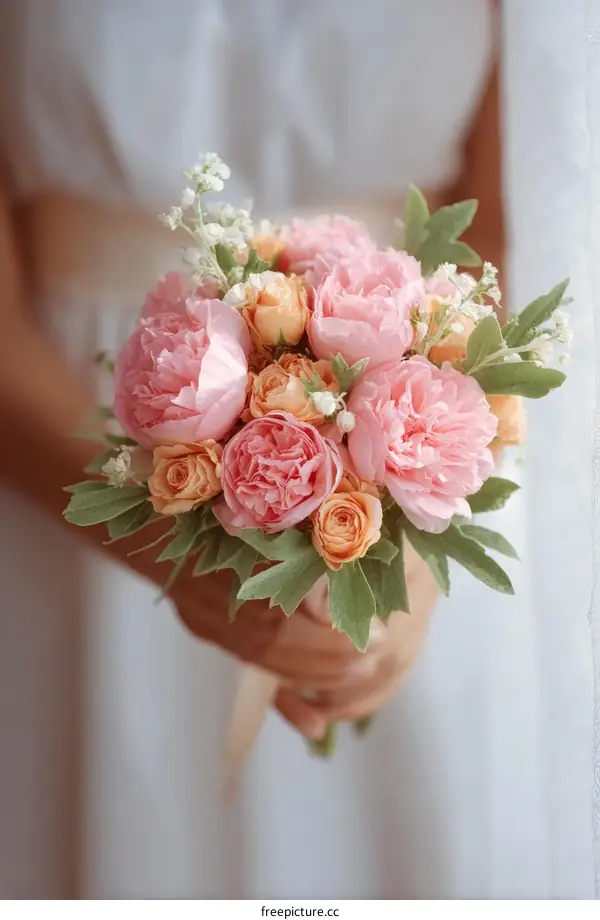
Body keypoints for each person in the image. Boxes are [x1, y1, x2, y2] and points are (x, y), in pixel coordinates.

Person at [0, 0, 504, 899]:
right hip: (68, 499)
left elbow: (521, 227)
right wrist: (169, 543)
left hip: (418, 491)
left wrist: (409, 549)